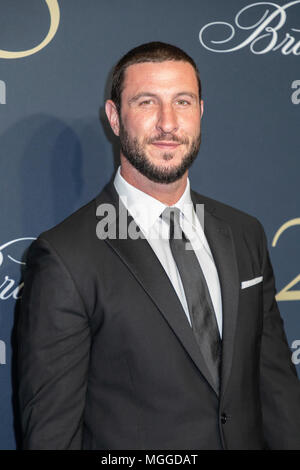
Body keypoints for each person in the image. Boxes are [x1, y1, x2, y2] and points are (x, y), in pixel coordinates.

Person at [17, 41, 300, 450]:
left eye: (182, 102)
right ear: (115, 118)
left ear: (200, 112)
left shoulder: (244, 234)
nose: (168, 123)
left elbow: (276, 388)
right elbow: (52, 435)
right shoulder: (66, 257)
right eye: (147, 102)